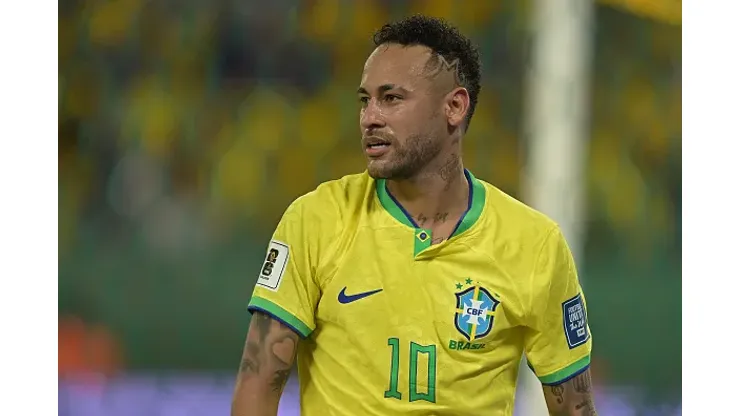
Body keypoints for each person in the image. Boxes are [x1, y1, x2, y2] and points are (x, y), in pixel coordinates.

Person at [231, 14, 597, 416]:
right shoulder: (315, 221)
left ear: (454, 107)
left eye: (391, 98)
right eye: (365, 100)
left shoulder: (534, 245)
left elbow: (575, 408)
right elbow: (258, 383)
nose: (370, 117)